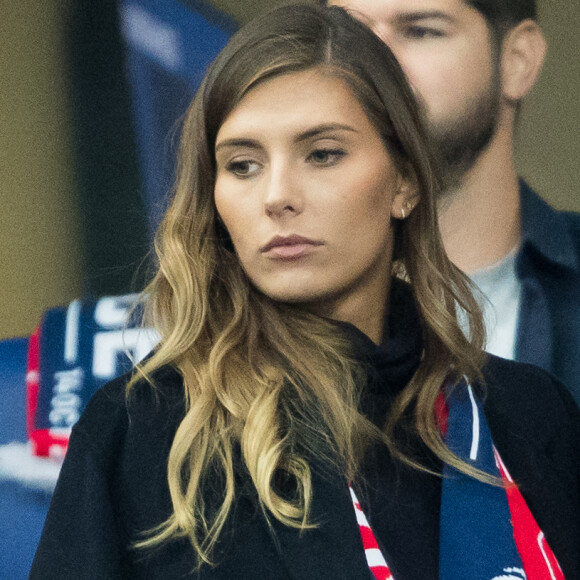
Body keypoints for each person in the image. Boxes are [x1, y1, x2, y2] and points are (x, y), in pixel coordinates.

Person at [30, 5, 580, 579]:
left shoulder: (527, 415)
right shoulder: (141, 431)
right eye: (242, 164)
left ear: (406, 182)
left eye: (322, 154)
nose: (277, 195)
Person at [323, 0, 580, 405]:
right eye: (351, 31)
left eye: (421, 30)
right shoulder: (243, 297)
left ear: (518, 60)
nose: (373, 64)